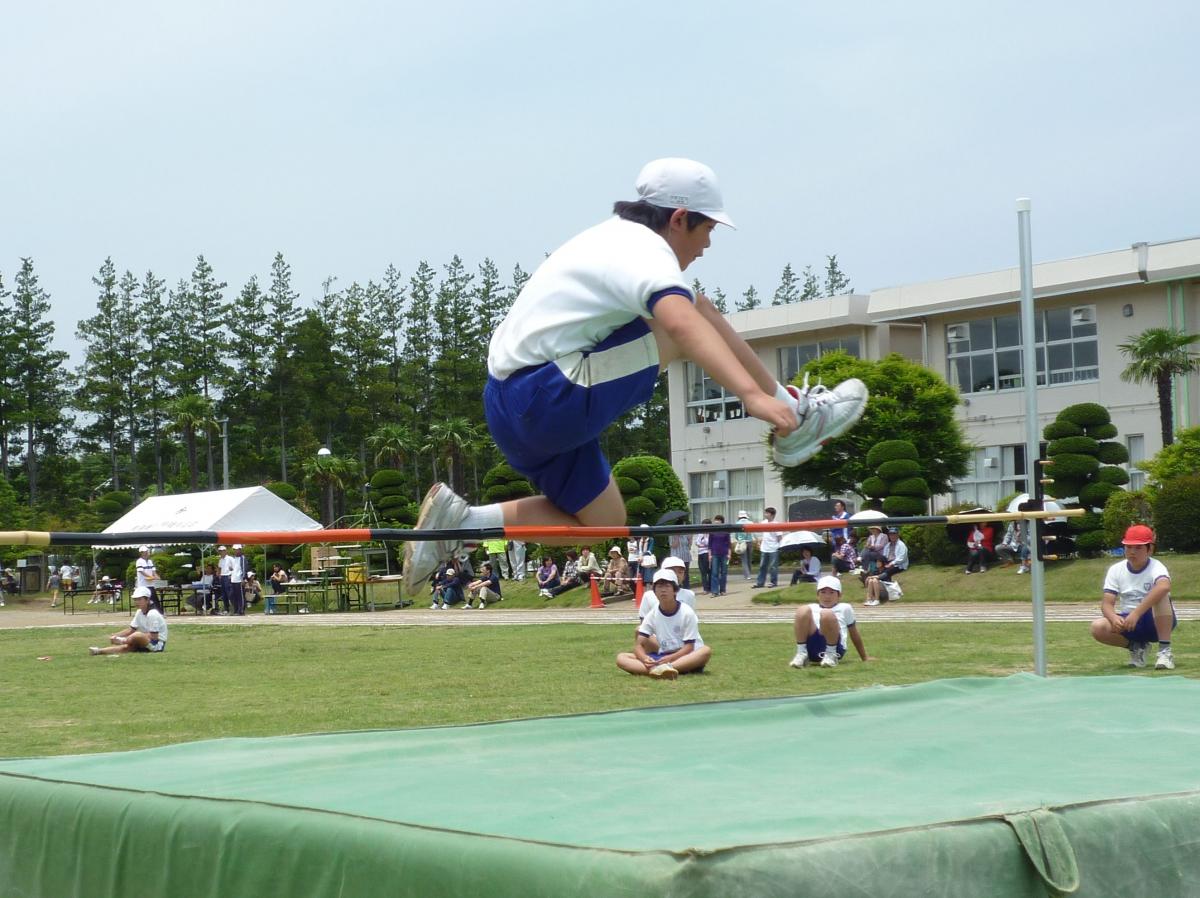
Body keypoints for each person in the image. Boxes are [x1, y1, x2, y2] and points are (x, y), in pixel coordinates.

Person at [402, 158, 868, 594]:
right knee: (694, 310)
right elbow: (683, 324)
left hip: (513, 407)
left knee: (603, 520)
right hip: (546, 395)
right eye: (707, 230)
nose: (706, 246)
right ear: (680, 217)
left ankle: (462, 525)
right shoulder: (643, 250)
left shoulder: (609, 238)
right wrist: (751, 396)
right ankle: (794, 413)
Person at [1089, 525, 1176, 670]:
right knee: (1097, 627)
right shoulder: (1116, 569)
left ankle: (1165, 651)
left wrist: (1136, 613)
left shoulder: (1156, 566)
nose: (1132, 552)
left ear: (1150, 549)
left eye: (1138, 548)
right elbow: (1107, 603)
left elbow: (1164, 586)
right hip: (1129, 621)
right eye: (1128, 547)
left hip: (1154, 620)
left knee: (1161, 596)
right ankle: (1136, 647)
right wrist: (1113, 618)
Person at [616, 569, 712, 679]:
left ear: (675, 590)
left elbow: (689, 647)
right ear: (655, 592)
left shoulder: (687, 612)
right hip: (662, 655)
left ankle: (667, 668)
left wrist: (671, 658)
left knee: (705, 651)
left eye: (667, 586)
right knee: (621, 658)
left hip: (683, 656)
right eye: (659, 587)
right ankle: (659, 670)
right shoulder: (653, 614)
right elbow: (639, 645)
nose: (663, 590)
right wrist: (644, 659)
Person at [789, 575, 873, 669]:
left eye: (831, 592)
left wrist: (864, 657)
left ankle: (830, 654)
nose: (827, 596)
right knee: (802, 610)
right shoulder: (812, 607)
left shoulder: (845, 608)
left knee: (826, 613)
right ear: (818, 594)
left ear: (839, 595)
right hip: (812, 646)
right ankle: (802, 653)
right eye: (823, 592)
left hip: (836, 647)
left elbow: (853, 632)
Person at [88, 587, 168, 655]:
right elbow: (130, 630)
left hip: (156, 645)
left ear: (147, 600)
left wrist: (127, 639)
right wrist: (115, 635)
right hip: (146, 642)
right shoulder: (139, 612)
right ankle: (99, 651)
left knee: (137, 635)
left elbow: (154, 637)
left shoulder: (152, 614)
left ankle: (122, 641)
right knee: (127, 648)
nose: (137, 602)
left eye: (139, 599)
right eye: (135, 599)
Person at [753, 507, 783, 589]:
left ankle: (773, 582)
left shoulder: (776, 524)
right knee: (762, 566)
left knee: (773, 566)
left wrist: (780, 547)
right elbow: (759, 533)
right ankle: (760, 582)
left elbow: (779, 537)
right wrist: (759, 542)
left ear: (772, 514)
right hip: (764, 548)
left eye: (767, 513)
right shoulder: (763, 523)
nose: (765, 514)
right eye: (765, 513)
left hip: (774, 548)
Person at [708, 515, 730, 596]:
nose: (716, 521)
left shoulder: (725, 531)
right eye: (715, 519)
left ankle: (723, 590)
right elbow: (709, 544)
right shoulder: (712, 531)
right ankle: (714, 591)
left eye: (718, 520)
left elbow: (728, 544)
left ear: (722, 521)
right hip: (715, 554)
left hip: (724, 554)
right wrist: (709, 555)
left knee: (724, 572)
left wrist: (729, 554)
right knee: (714, 573)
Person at [135, 545, 160, 611]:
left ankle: (160, 612)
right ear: (141, 553)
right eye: (144, 552)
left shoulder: (150, 561)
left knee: (155, 599)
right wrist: (150, 576)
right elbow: (141, 571)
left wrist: (156, 576)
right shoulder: (139, 561)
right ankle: (146, 611)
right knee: (145, 600)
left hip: (150, 584)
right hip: (143, 584)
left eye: (146, 551)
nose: (146, 553)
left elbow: (153, 571)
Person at [228, 544, 249, 615]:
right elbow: (232, 568)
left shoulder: (242, 558)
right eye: (235, 550)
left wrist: (243, 578)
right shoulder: (233, 558)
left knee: (240, 596)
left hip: (239, 580)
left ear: (240, 550)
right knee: (232, 595)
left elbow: (244, 569)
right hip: (233, 579)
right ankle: (236, 609)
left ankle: (241, 610)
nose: (236, 551)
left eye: (237, 549)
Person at [733, 510, 753, 580]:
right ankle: (749, 573)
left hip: (741, 542)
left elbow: (736, 535)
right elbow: (753, 532)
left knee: (744, 560)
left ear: (739, 516)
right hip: (749, 541)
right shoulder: (750, 523)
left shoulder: (737, 523)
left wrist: (738, 540)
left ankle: (747, 576)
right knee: (749, 559)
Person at [693, 523, 711, 596]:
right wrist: (701, 544)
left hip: (707, 553)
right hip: (700, 553)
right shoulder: (700, 533)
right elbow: (696, 542)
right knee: (702, 571)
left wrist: (703, 543)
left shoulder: (710, 534)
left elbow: (708, 543)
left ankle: (708, 588)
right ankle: (705, 588)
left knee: (708, 571)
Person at [216, 545, 233, 615]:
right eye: (220, 551)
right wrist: (219, 574)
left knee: (229, 593)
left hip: (228, 576)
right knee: (224, 594)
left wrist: (231, 575)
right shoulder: (220, 560)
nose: (221, 552)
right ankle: (226, 608)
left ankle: (233, 608)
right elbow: (219, 568)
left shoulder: (230, 558)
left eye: (222, 551)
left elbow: (234, 567)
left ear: (225, 551)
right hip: (222, 577)